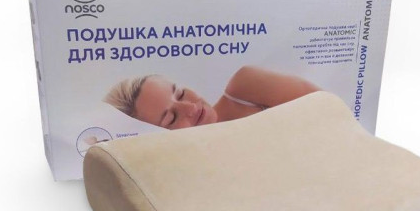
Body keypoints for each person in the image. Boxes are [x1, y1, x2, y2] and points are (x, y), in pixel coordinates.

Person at [104, 65, 321, 130]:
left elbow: (330, 109)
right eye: (171, 118)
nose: (190, 108)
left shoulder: (246, 86)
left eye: (180, 93)